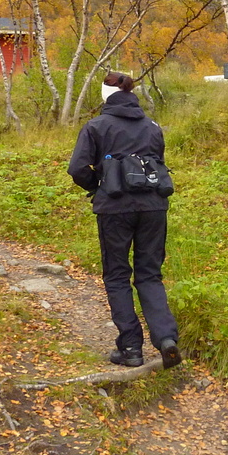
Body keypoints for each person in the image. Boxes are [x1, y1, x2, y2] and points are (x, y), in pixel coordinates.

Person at [67, 71, 181, 369]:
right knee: (149, 274)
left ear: (104, 96)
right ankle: (166, 338)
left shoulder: (96, 126)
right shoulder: (153, 127)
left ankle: (131, 347)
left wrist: (99, 186)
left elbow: (77, 168)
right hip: (154, 207)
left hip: (115, 208)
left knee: (117, 275)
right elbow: (158, 162)